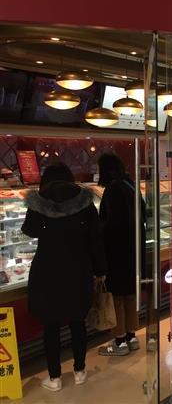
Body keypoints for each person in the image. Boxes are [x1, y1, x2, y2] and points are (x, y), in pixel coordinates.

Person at [22, 163, 106, 391]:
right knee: (78, 322)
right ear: (69, 178)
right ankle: (79, 371)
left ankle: (55, 378)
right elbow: (95, 240)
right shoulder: (85, 202)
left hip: (47, 272)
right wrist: (100, 270)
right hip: (78, 270)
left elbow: (29, 230)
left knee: (51, 326)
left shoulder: (39, 201)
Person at [97, 153, 145, 356]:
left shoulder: (113, 189)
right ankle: (131, 337)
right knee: (130, 295)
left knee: (116, 297)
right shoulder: (130, 185)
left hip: (116, 252)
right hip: (134, 250)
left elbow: (110, 224)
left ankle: (119, 342)